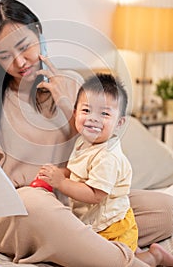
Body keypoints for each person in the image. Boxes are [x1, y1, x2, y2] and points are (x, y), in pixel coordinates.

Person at [0, 0, 172, 266]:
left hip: (75, 203)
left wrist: (66, 105)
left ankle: (92, 246)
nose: (20, 61)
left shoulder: (77, 88)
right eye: (4, 56)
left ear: (38, 33)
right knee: (38, 203)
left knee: (165, 210)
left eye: (24, 46)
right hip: (18, 210)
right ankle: (134, 262)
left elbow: (103, 151)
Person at [37, 73, 138, 252]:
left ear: (119, 123)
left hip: (110, 226)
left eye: (105, 113)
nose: (93, 118)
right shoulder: (84, 141)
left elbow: (94, 194)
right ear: (75, 113)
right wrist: (60, 173)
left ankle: (154, 258)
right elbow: (78, 171)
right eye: (86, 110)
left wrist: (61, 182)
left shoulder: (107, 157)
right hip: (94, 221)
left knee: (114, 261)